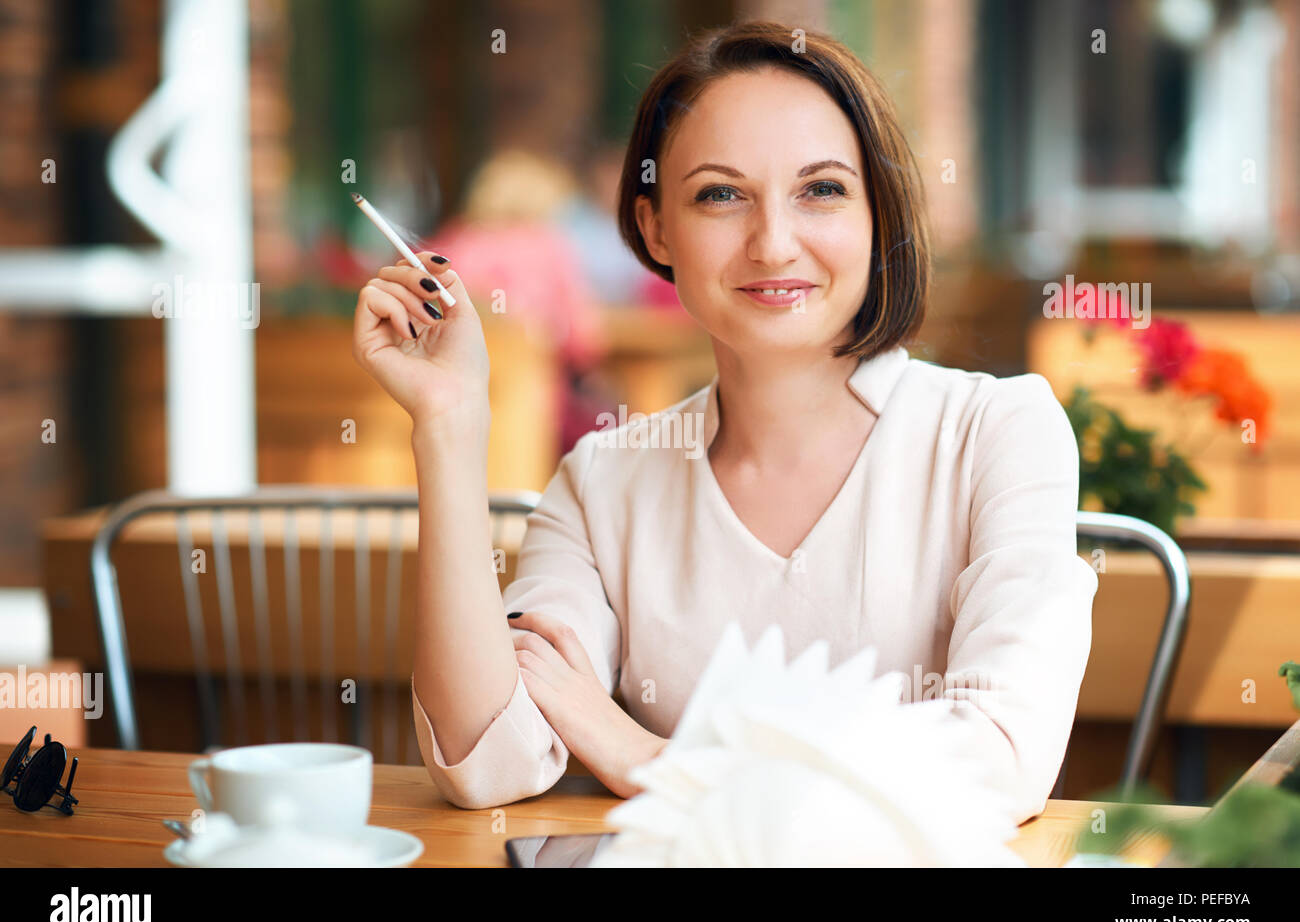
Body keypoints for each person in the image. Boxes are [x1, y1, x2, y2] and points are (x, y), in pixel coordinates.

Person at [350, 19, 1097, 826]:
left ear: (878, 215)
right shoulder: (604, 482)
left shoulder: (997, 434)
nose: (774, 242)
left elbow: (998, 758)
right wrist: (452, 424)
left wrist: (655, 759)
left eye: (822, 190)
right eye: (720, 194)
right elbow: (488, 758)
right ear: (655, 227)